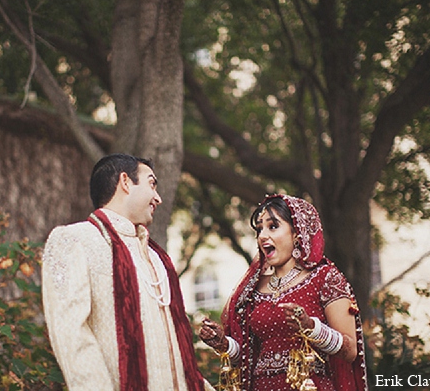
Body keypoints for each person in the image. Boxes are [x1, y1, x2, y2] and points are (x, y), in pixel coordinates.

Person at [42, 153, 214, 391]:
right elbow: (72, 337)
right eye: (151, 184)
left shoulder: (157, 257)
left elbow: (179, 357)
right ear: (125, 182)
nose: (158, 198)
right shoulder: (75, 240)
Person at [199, 194, 368, 391]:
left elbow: (350, 351)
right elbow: (248, 356)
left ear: (297, 234)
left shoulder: (324, 278)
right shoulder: (254, 288)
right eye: (260, 228)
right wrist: (223, 344)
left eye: (272, 226)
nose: (262, 235)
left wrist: (311, 327)